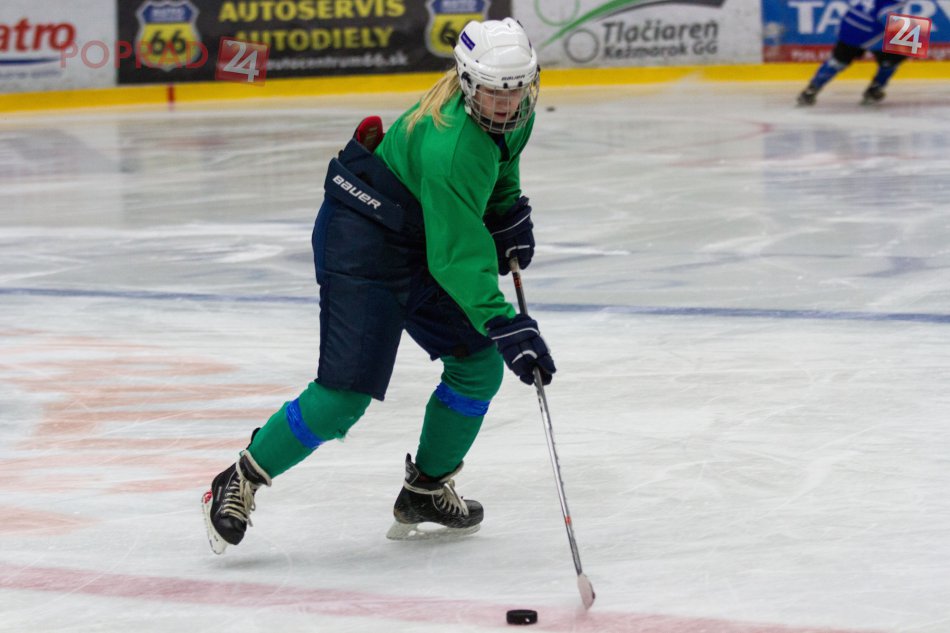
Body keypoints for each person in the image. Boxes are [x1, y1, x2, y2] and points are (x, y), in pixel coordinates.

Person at [201, 17, 556, 552]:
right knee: (343, 399)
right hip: (364, 241)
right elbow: (456, 257)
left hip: (419, 232)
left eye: (516, 90)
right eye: (493, 92)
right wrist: (503, 322)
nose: (506, 104)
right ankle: (242, 475)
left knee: (477, 366)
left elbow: (502, 164)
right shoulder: (452, 146)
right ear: (467, 83)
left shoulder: (511, 113)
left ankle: (426, 489)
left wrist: (506, 211)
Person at [797, 0, 909, 106]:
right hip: (869, 31)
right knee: (900, 51)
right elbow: (886, 16)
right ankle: (875, 89)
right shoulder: (892, 4)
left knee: (837, 61)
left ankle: (811, 90)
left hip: (848, 25)